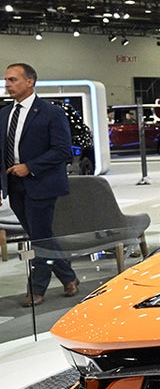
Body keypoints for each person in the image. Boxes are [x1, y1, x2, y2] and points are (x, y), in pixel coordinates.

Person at [1, 63, 79, 307]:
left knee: (39, 238)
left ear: (30, 82)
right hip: (14, 185)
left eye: (13, 79)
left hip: (41, 184)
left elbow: (62, 150)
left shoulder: (51, 112)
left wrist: (30, 166)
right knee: (40, 235)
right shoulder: (4, 113)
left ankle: (36, 288)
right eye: (6, 80)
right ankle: (68, 276)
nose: (8, 84)